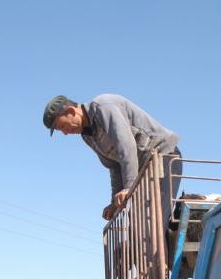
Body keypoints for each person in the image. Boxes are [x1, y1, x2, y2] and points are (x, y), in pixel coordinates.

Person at [43, 93, 182, 227]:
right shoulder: (88, 137)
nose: (65, 133)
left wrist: (128, 188)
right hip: (142, 173)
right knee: (136, 224)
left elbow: (126, 147)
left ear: (71, 111)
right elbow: (114, 166)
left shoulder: (103, 107)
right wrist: (114, 203)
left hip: (163, 158)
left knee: (153, 223)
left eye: (62, 126)